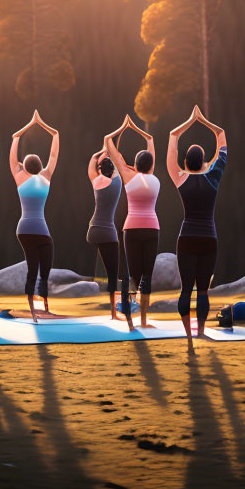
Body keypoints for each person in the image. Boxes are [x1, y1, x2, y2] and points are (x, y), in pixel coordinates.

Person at [167, 106, 228, 352]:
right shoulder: (213, 177)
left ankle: (188, 337)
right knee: (203, 290)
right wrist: (205, 121)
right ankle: (201, 331)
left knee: (186, 290)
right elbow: (222, 140)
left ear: (185, 162)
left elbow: (172, 138)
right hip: (209, 239)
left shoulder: (180, 177)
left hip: (187, 238)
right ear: (204, 161)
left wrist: (188, 122)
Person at [104, 115, 159, 329]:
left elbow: (110, 147)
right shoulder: (153, 177)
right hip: (152, 229)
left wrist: (123, 127)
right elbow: (151, 145)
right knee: (146, 277)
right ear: (150, 164)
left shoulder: (128, 175)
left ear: (135, 164)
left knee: (132, 277)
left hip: (132, 229)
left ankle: (131, 323)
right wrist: (142, 132)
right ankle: (143, 321)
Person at [9, 111, 59, 322]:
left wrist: (26, 127)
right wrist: (43, 125)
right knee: (42, 269)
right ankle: (39, 309)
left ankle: (37, 310)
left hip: (27, 230)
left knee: (35, 269)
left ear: (25, 165)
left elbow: (13, 146)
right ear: (38, 165)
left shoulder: (21, 177)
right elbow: (55, 146)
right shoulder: (44, 177)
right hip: (37, 229)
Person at [86, 147, 123, 320]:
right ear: (113, 170)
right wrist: (110, 151)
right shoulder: (116, 184)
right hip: (108, 232)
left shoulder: (96, 183)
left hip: (93, 230)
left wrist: (99, 153)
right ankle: (113, 313)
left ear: (101, 170)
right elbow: (116, 167)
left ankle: (109, 311)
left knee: (101, 269)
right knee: (112, 274)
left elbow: (91, 168)